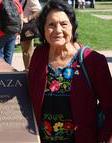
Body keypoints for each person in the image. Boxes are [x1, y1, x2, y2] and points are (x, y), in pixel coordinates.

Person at [28, 0, 112, 142]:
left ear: (73, 27)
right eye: (51, 25)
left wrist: (105, 138)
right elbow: (29, 90)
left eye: (64, 24)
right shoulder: (39, 55)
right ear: (43, 29)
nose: (58, 30)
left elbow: (110, 107)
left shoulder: (93, 61)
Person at [20, 0, 41, 71]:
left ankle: (29, 70)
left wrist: (28, 18)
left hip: (27, 27)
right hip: (24, 27)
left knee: (27, 51)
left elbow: (39, 11)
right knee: (26, 50)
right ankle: (28, 69)